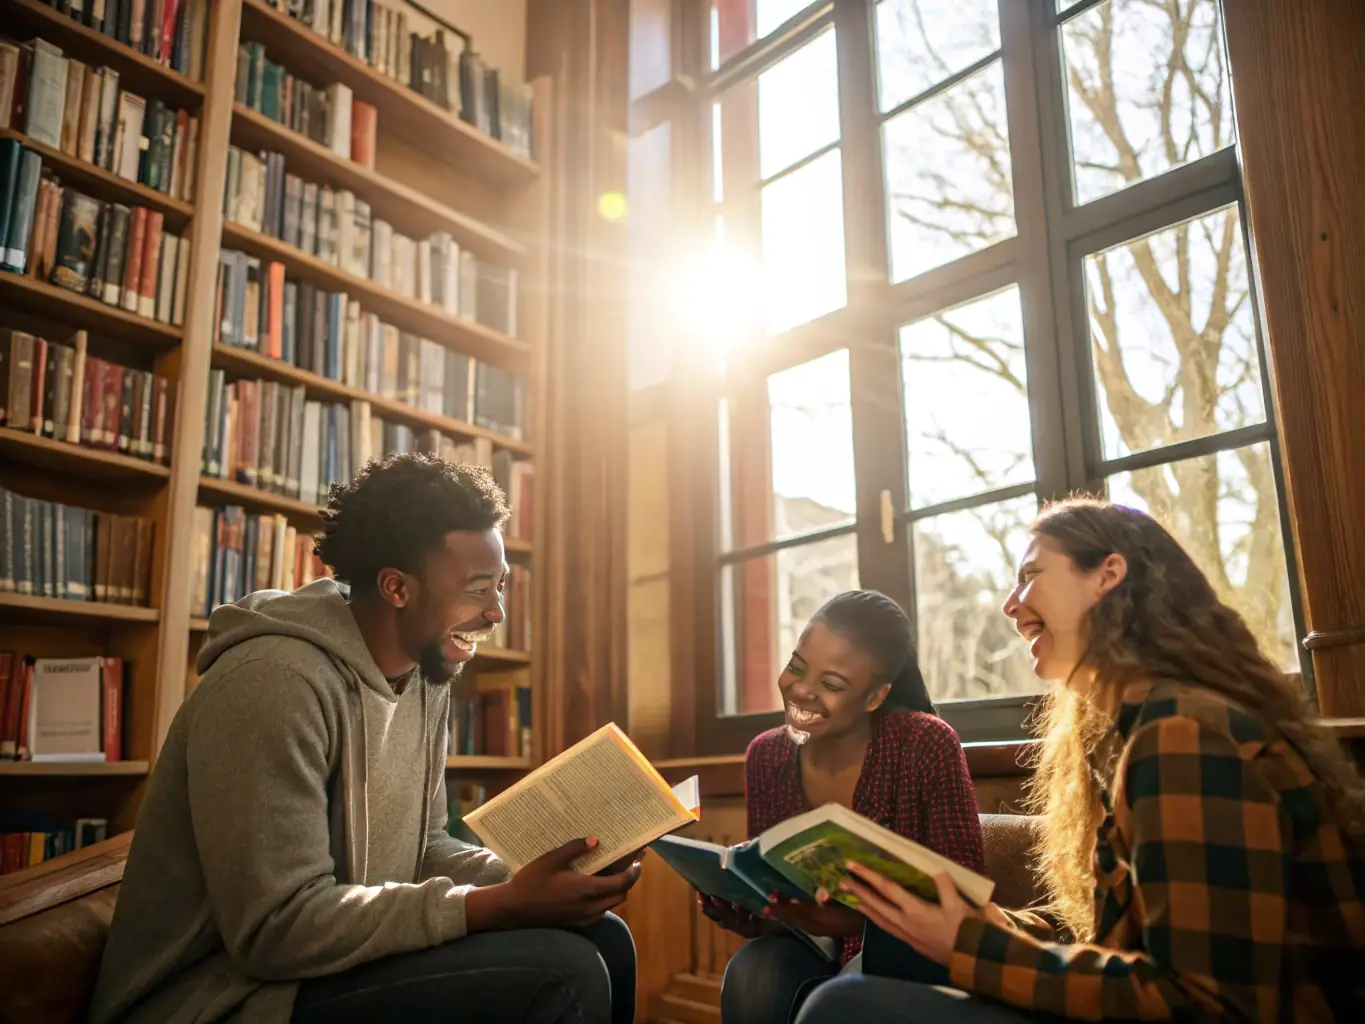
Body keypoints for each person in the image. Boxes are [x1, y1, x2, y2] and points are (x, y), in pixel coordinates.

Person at [89, 454, 641, 1024]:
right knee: (562, 970)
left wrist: (535, 878)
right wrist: (498, 906)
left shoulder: (427, 674)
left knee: (607, 941)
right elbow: (275, 931)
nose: (495, 612)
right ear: (397, 587)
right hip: (216, 996)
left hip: (324, 971)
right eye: (478, 590)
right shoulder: (272, 684)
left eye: (499, 587)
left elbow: (425, 851)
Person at [795, 497, 1365, 1023]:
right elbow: (1108, 934)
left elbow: (1202, 1002)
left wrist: (973, 946)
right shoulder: (1133, 736)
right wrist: (991, 926)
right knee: (887, 953)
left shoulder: (1187, 734)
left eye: (1030, 576)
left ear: (1107, 577)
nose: (1010, 604)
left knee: (842, 1006)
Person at [712, 590, 986, 1024]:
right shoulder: (765, 755)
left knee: (848, 996)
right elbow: (779, 892)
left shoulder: (925, 744)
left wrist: (840, 921)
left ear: (875, 697)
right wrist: (757, 915)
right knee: (752, 972)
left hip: (904, 955)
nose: (800, 690)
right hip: (808, 947)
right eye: (797, 667)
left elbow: (965, 913)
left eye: (832, 685)